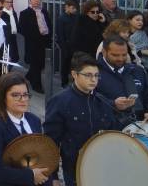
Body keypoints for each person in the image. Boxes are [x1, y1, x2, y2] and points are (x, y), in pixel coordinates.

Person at [44, 53, 120, 186]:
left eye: (96, 75)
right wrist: (52, 176)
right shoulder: (60, 102)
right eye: (88, 75)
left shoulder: (101, 100)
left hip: (102, 166)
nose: (93, 80)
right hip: (74, 169)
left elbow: (113, 131)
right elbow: (50, 142)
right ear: (74, 75)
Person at [0, 73, 55, 186]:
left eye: (25, 95)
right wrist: (31, 176)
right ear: (3, 98)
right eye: (16, 95)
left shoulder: (34, 120)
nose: (23, 99)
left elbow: (41, 158)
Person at [95, 35, 148, 127]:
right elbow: (87, 101)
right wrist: (113, 104)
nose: (120, 59)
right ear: (104, 52)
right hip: (108, 131)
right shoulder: (92, 73)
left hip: (140, 127)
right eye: (115, 55)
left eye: (124, 55)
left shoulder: (137, 71)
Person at [18, 0, 52, 93]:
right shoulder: (24, 13)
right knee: (35, 64)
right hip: (32, 43)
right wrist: (31, 34)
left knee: (41, 63)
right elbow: (21, 29)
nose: (36, 1)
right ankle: (36, 85)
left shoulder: (44, 12)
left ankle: (29, 75)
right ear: (30, 0)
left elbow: (49, 25)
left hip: (43, 41)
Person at [127, 10, 148, 83]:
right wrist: (142, 52)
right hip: (135, 67)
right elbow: (128, 52)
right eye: (137, 20)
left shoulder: (144, 32)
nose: (140, 22)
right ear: (129, 20)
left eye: (142, 20)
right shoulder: (126, 34)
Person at [55, 0, 79, 87]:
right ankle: (64, 82)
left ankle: (75, 81)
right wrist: (64, 48)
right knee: (65, 64)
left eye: (76, 8)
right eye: (73, 8)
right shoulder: (61, 18)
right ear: (67, 7)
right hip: (66, 45)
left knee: (75, 65)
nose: (75, 10)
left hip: (75, 45)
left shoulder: (76, 17)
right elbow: (60, 35)